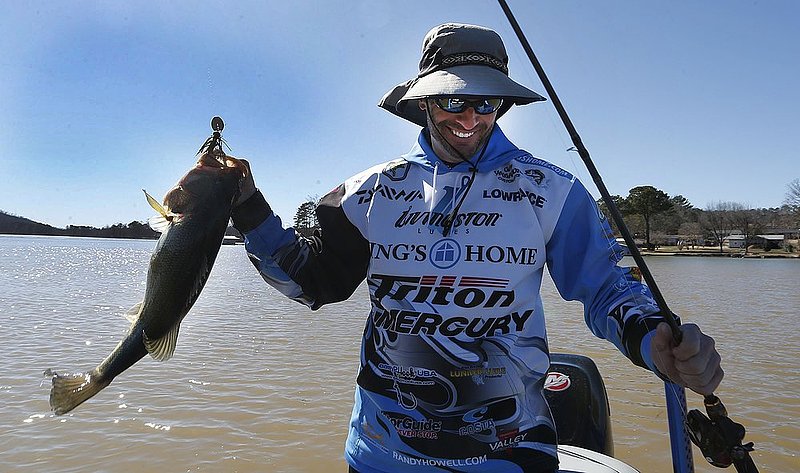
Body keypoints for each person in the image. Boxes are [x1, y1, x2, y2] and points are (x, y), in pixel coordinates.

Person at [229, 23, 723, 473]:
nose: (469, 116)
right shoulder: (366, 193)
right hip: (383, 454)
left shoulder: (553, 190)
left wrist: (650, 336)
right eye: (451, 100)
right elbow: (312, 282)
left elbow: (607, 287)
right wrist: (247, 208)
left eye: (486, 102)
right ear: (422, 101)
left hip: (512, 455)